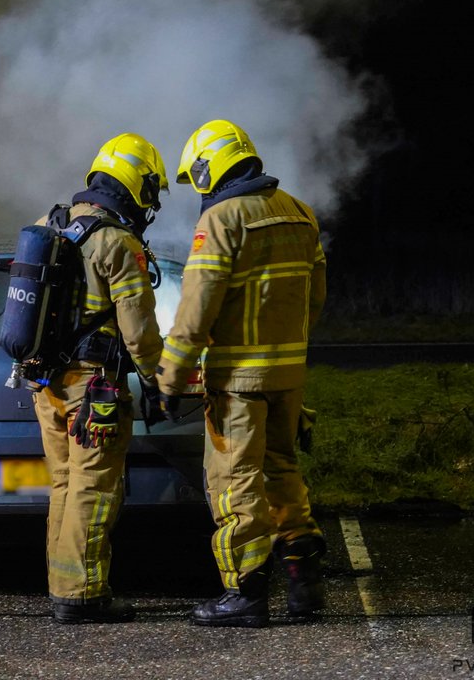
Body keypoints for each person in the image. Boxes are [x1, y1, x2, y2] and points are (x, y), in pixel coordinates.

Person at [157, 119, 327, 627]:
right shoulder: (301, 213)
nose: (199, 189)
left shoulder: (224, 220)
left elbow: (196, 308)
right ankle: (304, 586)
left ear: (210, 168)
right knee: (282, 473)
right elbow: (314, 297)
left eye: (198, 177)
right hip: (289, 373)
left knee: (235, 482)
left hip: (238, 381)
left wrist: (171, 376)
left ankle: (245, 594)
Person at [30, 133, 167, 624]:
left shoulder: (49, 225)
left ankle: (62, 584)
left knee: (65, 483)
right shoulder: (117, 242)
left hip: (45, 382)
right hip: (95, 389)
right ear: (136, 187)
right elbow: (140, 331)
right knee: (95, 485)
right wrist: (157, 380)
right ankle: (82, 595)